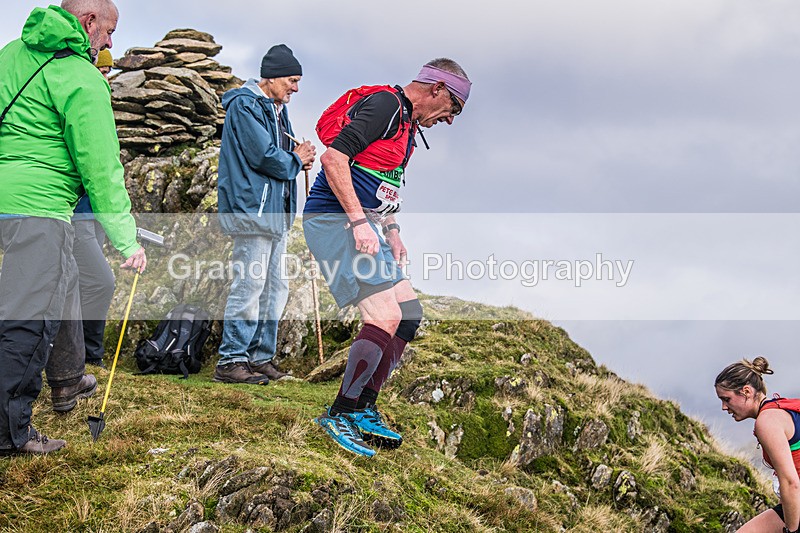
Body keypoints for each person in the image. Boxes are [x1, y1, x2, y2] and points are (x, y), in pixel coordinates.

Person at [303, 58, 470, 457]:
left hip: (366, 226)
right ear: (437, 89)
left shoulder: (408, 125)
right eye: (454, 108)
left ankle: (363, 408)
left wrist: (391, 231)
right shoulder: (386, 106)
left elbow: (386, 182)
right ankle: (339, 412)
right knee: (382, 315)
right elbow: (333, 159)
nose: (450, 120)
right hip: (335, 222)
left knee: (408, 315)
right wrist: (360, 223)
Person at [0, 0, 146, 455]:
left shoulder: (10, 54)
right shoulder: (82, 79)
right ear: (88, 23)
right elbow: (102, 169)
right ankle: (10, 435)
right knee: (26, 324)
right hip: (39, 209)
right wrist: (127, 241)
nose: (109, 43)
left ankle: (64, 381)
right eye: (109, 32)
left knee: (45, 299)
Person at [214, 44, 316, 385]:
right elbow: (264, 156)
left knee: (275, 288)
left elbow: (280, 153)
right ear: (271, 77)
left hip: (274, 214)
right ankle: (231, 360)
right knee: (250, 284)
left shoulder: (275, 107)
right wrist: (295, 159)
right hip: (252, 211)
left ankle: (259, 357)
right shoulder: (245, 106)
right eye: (292, 80)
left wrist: (297, 156)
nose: (295, 88)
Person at [49, 46, 117, 379]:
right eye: (102, 71)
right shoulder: (80, 93)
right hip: (75, 213)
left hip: (95, 213)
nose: (106, 77)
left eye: (108, 72)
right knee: (101, 281)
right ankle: (89, 354)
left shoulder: (99, 97)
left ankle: (79, 356)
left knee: (80, 283)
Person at [715, 357, 800, 533]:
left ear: (746, 391)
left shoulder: (767, 422)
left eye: (727, 399)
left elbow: (791, 482)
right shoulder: (783, 406)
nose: (724, 407)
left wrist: (791, 531)